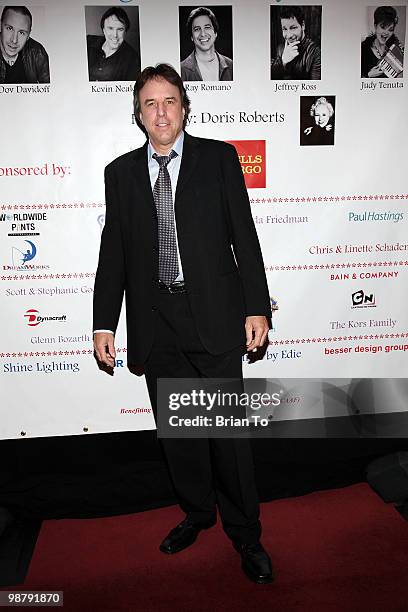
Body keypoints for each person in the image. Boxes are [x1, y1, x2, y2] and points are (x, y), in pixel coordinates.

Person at [93, 63, 273, 584]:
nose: (160, 112)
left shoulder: (219, 159)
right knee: (180, 435)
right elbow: (114, 255)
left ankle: (246, 534)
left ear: (184, 108)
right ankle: (197, 514)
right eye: (149, 103)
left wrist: (256, 306)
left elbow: (245, 235)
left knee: (226, 438)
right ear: (138, 115)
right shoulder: (120, 174)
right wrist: (105, 322)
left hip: (215, 319)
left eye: (169, 100)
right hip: (157, 323)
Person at [86, 6, 140, 81]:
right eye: (110, 28)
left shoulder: (133, 59)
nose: (115, 35)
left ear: (125, 32)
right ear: (103, 30)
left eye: (120, 29)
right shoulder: (88, 42)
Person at [180, 6, 233, 81]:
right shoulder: (181, 69)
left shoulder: (231, 65)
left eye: (207, 27)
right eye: (197, 29)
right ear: (192, 36)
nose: (203, 34)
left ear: (215, 33)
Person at [0, 5, 49, 84]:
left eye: (21, 33)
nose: (14, 40)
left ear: (28, 35)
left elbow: (49, 91)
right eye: (9, 28)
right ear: (0, 26)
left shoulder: (37, 52)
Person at [270, 6, 321, 80]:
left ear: (303, 25)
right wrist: (283, 61)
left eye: (293, 28)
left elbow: (316, 87)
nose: (289, 35)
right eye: (284, 29)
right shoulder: (280, 48)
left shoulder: (316, 52)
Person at [361, 6, 403, 78]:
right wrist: (368, 75)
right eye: (383, 27)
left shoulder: (396, 47)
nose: (386, 33)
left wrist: (403, 57)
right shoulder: (363, 49)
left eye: (390, 29)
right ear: (375, 26)